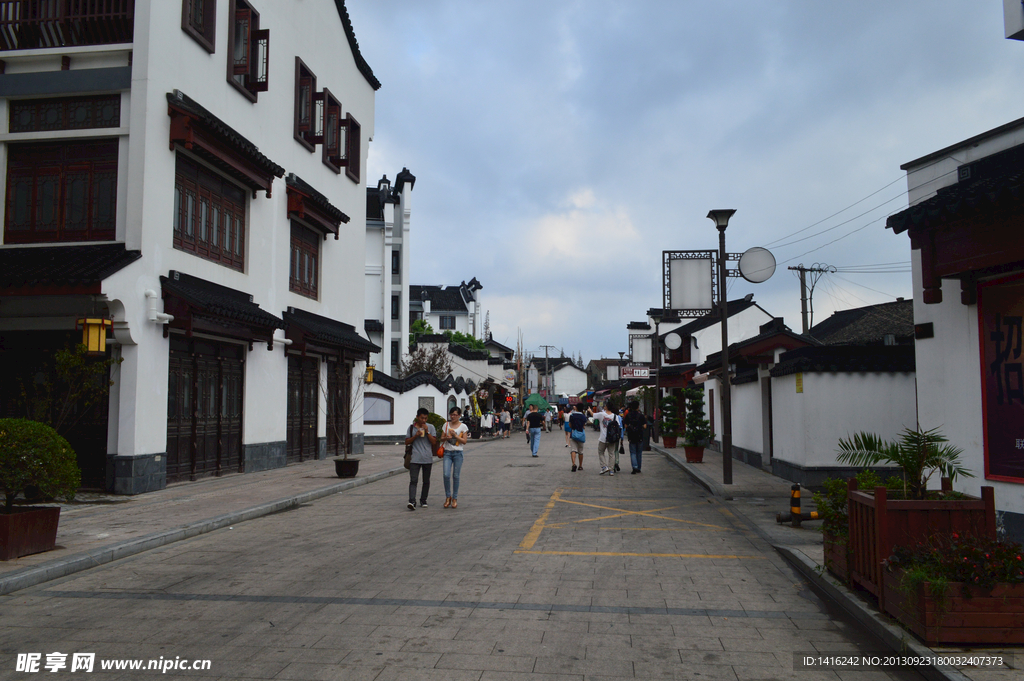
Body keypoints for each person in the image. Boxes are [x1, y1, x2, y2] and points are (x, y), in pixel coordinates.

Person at [404, 408, 437, 510]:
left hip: (427, 458)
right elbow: (407, 442)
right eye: (422, 418)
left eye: (426, 418)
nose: (424, 420)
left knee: (426, 481)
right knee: (413, 480)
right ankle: (412, 501)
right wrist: (416, 435)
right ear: (417, 417)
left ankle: (423, 500)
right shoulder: (411, 428)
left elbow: (434, 442)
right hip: (415, 458)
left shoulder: (430, 427)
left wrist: (427, 432)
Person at [440, 406, 469, 509]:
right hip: (447, 453)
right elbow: (442, 438)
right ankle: (448, 496)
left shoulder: (463, 427)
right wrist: (446, 437)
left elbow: (464, 441)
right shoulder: (446, 425)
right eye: (452, 414)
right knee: (446, 474)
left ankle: (455, 498)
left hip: (458, 453)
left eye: (455, 415)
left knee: (456, 476)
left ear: (459, 416)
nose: (453, 417)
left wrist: (455, 436)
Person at [594, 403, 618, 476]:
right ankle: (611, 470)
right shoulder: (615, 416)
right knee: (612, 454)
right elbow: (618, 426)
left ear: (607, 407)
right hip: (612, 438)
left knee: (601, 452)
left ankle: (604, 466)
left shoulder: (602, 414)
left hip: (603, 438)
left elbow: (593, 415)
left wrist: (589, 410)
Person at [623, 400, 646, 474]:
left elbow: (625, 425)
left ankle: (634, 467)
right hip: (639, 435)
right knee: (639, 453)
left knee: (633, 452)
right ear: (638, 407)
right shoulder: (641, 416)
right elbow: (645, 426)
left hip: (631, 436)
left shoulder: (628, 415)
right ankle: (639, 468)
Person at [568, 402, 587, 471]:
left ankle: (573, 464)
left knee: (573, 450)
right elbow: (584, 425)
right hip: (581, 435)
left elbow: (570, 425)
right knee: (580, 451)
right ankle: (580, 466)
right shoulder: (583, 416)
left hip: (573, 434)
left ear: (576, 408)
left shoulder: (572, 415)